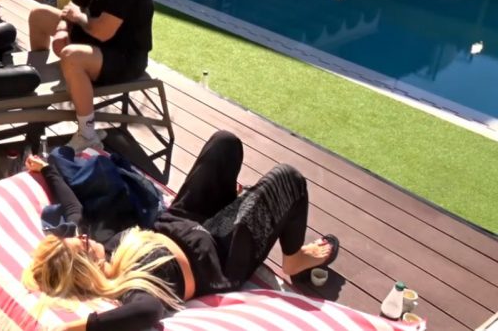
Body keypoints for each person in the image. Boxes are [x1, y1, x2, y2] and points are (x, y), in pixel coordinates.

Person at [22, 130, 340, 331]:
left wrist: (48, 170)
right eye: (81, 245)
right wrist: (75, 329)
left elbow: (74, 208)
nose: (82, 237)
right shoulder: (126, 283)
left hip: (181, 219)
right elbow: (147, 312)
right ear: (85, 270)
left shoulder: (101, 246)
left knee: (225, 144)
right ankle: (294, 259)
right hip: (220, 253)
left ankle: (233, 203)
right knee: (288, 178)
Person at [27, 0, 154, 151]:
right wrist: (63, 28)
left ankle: (87, 133)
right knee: (39, 16)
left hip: (125, 57)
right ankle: (37, 87)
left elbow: (103, 31)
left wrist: (77, 19)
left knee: (71, 56)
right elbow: (74, 5)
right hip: (97, 41)